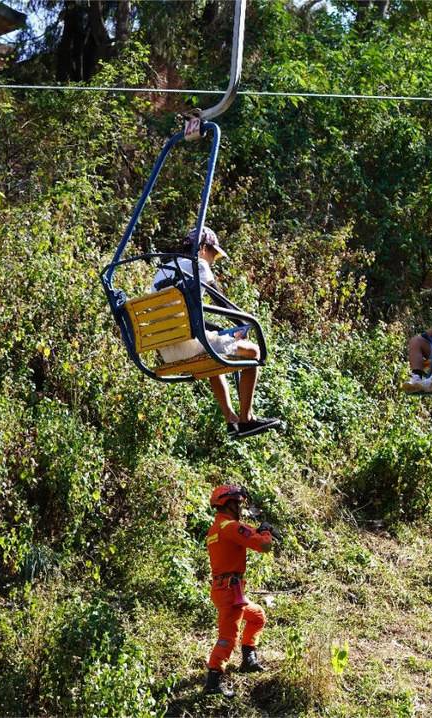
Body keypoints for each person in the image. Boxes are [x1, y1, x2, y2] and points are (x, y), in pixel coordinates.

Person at [153, 227, 282, 439]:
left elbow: (182, 317)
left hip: (167, 350)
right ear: (202, 248)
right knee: (254, 353)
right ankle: (246, 418)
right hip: (188, 345)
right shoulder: (199, 265)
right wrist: (244, 324)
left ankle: (231, 420)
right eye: (213, 254)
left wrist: (220, 330)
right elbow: (220, 301)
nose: (212, 260)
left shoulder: (163, 270)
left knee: (213, 351)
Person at [204, 484, 280, 698]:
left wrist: (260, 529)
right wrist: (265, 532)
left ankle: (249, 659)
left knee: (257, 617)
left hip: (226, 590)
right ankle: (213, 682)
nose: (240, 507)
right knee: (228, 636)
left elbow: (247, 532)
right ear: (227, 504)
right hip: (230, 592)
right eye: (237, 503)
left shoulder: (217, 528)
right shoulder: (230, 527)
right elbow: (264, 546)